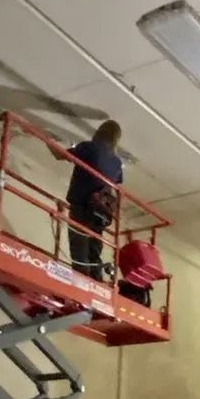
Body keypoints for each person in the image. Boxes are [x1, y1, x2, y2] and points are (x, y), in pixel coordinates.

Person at [65, 120, 122, 280]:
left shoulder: (88, 147)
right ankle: (96, 282)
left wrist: (48, 141)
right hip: (99, 212)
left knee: (79, 247)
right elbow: (115, 184)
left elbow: (60, 155)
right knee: (94, 250)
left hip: (81, 205)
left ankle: (81, 283)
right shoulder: (117, 162)